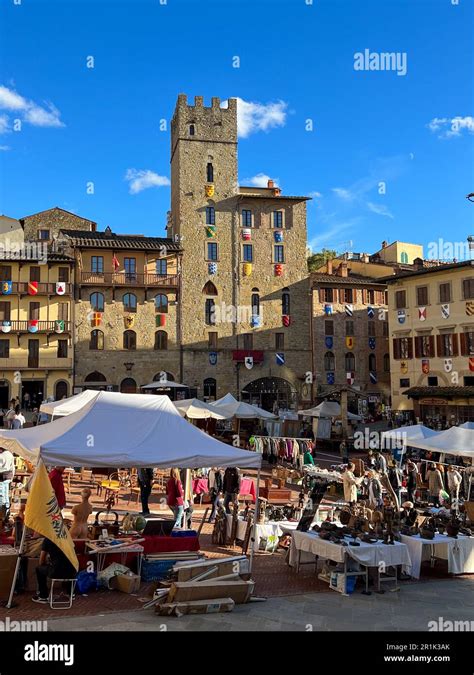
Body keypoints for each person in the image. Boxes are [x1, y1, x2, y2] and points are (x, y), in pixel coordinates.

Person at [32, 537, 77, 604]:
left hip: (57, 572)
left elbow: (41, 561)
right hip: (73, 570)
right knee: (67, 566)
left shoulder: (48, 539)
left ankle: (43, 596)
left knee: (39, 569)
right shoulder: (67, 537)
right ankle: (71, 593)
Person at [0, 446, 15, 512]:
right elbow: (13, 467)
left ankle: (1, 511)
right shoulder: (10, 454)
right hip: (8, 476)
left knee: (1, 495)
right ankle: (6, 512)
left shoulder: (1, 456)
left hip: (2, 477)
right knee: (6, 495)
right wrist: (12, 477)